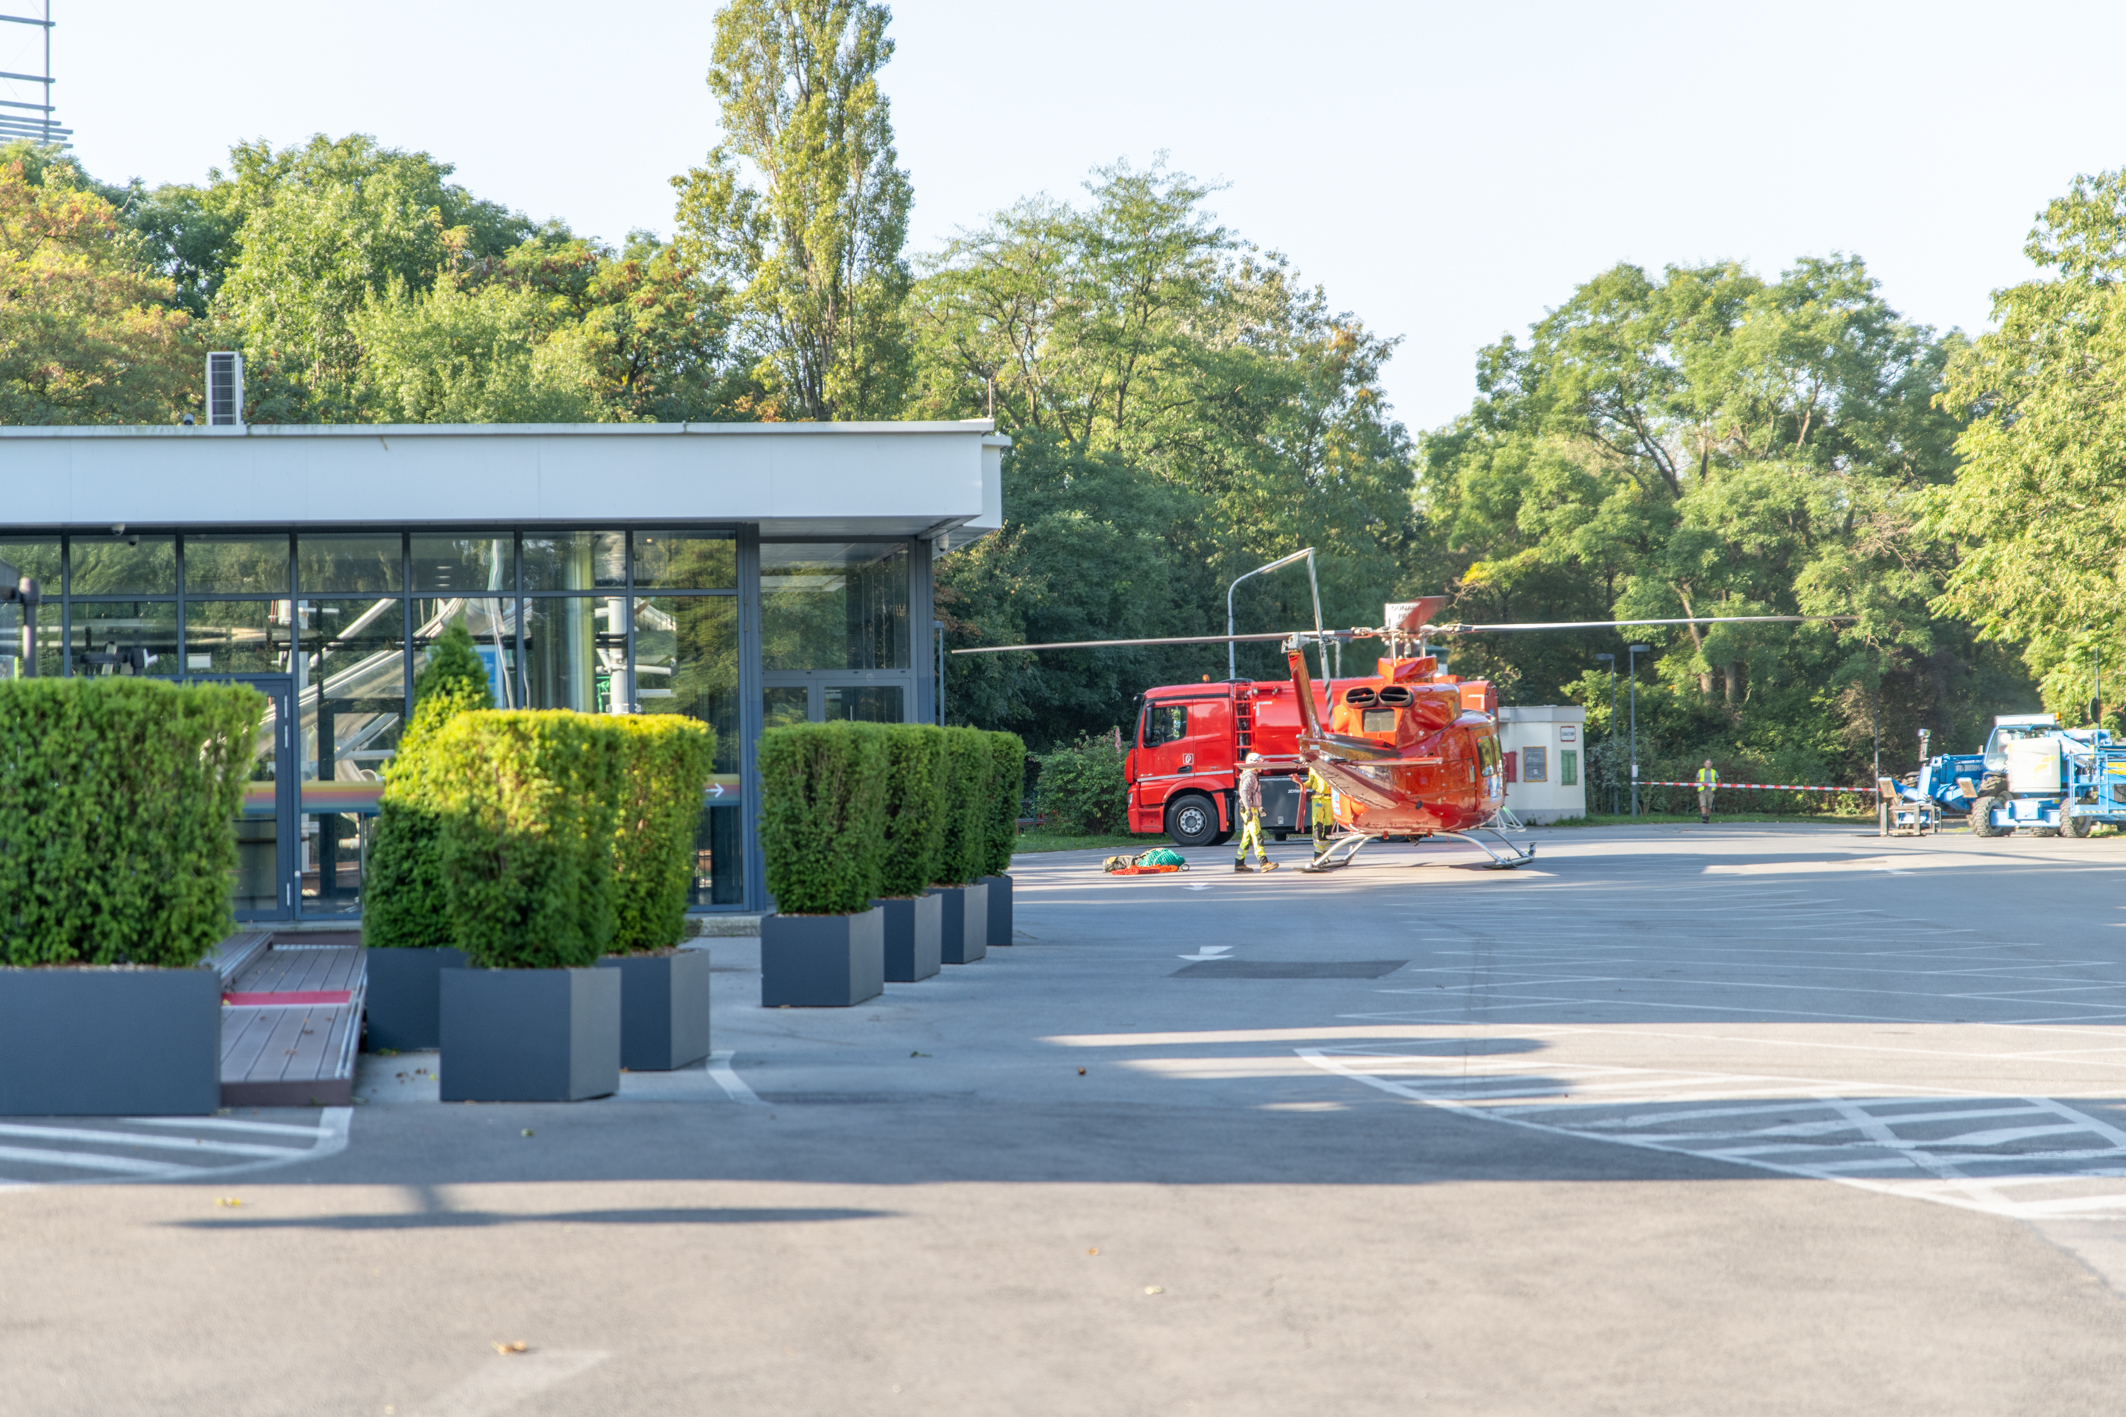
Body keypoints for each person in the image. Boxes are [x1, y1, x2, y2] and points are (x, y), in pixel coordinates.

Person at [1234, 752, 1277, 873]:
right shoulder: (1250, 776)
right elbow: (1243, 792)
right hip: (1249, 810)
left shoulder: (1252, 775)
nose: (1262, 765)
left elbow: (1252, 794)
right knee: (1257, 835)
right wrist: (1249, 810)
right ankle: (1264, 863)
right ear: (1253, 764)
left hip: (1251, 809)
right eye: (1260, 763)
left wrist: (1259, 807)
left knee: (1246, 838)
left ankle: (1239, 863)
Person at [1305, 764, 1335, 860]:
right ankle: (1318, 853)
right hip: (1317, 799)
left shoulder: (1331, 766)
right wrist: (1302, 784)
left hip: (1329, 799)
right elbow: (1311, 782)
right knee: (1318, 826)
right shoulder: (1313, 767)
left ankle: (1325, 853)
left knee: (1329, 827)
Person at [1696, 759, 1719, 824]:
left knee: (1709, 805)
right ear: (1704, 764)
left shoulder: (1714, 771)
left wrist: (1717, 786)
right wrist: (1700, 783)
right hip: (1702, 790)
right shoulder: (1700, 771)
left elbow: (1718, 779)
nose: (1709, 765)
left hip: (1710, 790)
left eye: (1710, 764)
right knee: (1703, 804)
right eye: (1707, 763)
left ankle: (1707, 817)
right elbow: (1697, 780)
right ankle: (1703, 817)